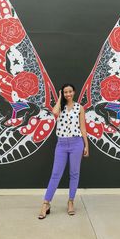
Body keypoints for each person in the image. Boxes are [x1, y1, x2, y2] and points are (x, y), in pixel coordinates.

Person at [38, 83, 89, 219]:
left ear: (74, 92)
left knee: (74, 173)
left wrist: (86, 145)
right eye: (65, 92)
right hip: (61, 144)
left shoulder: (80, 108)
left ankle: (71, 201)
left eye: (70, 92)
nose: (68, 94)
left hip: (76, 143)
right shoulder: (60, 107)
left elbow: (83, 128)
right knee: (56, 173)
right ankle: (46, 203)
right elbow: (54, 112)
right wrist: (59, 97)